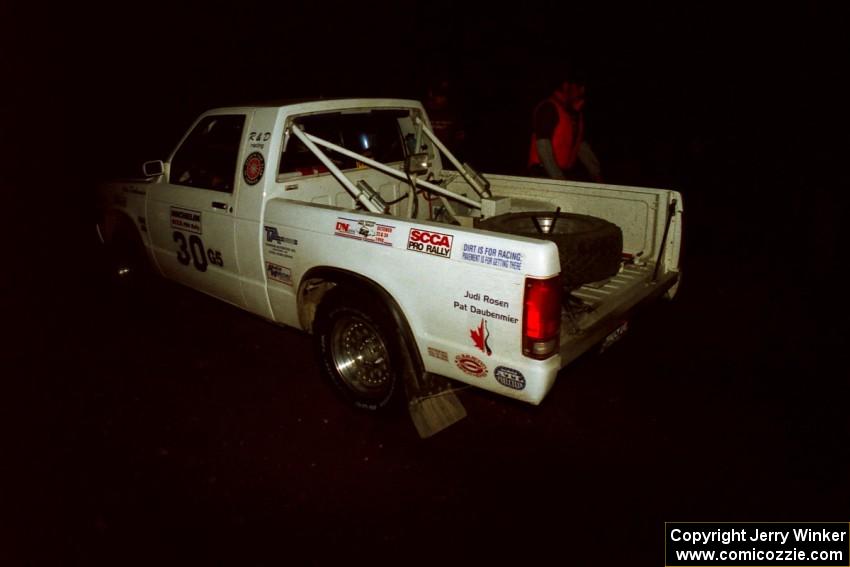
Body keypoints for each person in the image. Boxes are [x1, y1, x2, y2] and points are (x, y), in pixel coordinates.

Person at [528, 71, 602, 182]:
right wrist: (559, 179)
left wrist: (596, 174)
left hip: (562, 175)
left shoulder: (574, 114)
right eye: (579, 88)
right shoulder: (548, 108)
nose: (581, 92)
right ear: (566, 86)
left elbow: (581, 146)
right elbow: (543, 146)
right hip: (542, 176)